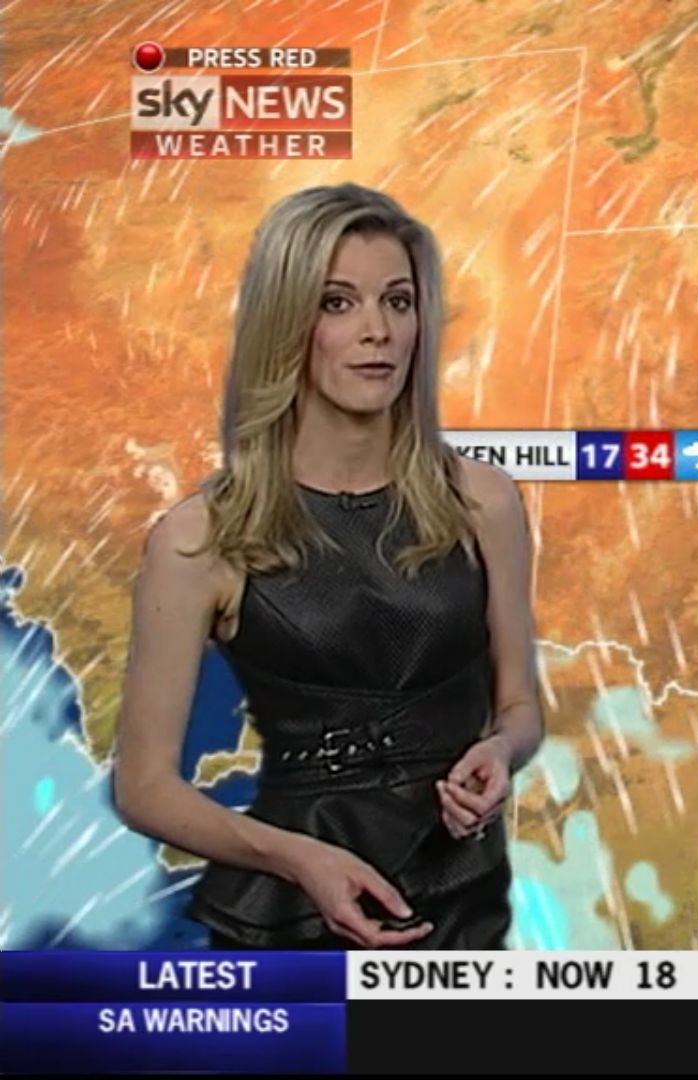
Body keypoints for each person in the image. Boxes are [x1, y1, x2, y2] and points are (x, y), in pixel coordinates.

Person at [112, 183, 543, 949]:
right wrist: (297, 858)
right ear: (288, 324)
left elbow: (519, 708)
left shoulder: (482, 502)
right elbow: (144, 787)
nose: (378, 331)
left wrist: (500, 751)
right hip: (293, 920)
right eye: (338, 303)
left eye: (398, 301)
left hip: (464, 903)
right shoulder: (202, 538)